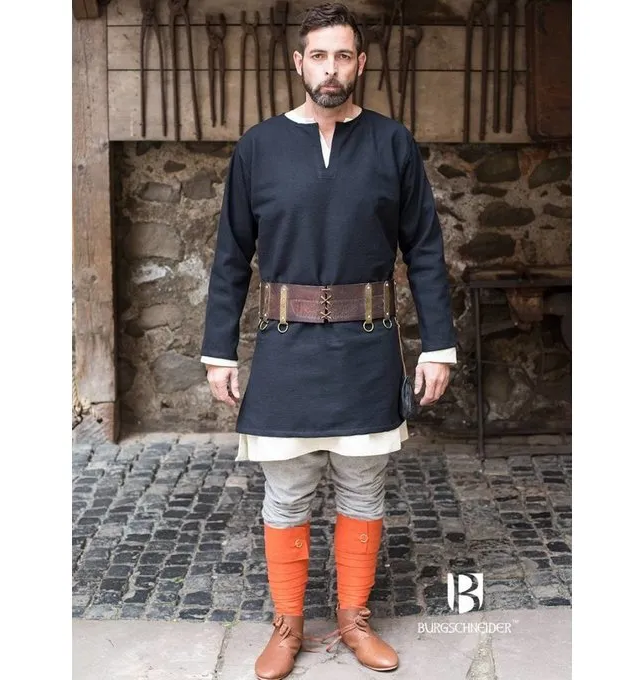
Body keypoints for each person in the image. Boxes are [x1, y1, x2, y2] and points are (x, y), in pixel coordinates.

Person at [201, 3, 457, 678]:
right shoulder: (259, 147)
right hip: (284, 349)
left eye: (343, 56)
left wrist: (438, 347)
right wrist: (219, 351)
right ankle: (288, 626)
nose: (331, 69)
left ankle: (353, 619)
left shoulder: (391, 143)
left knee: (363, 491)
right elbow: (231, 256)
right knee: (286, 495)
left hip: (366, 347)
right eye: (319, 56)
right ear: (300, 63)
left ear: (360, 64)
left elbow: (425, 251)